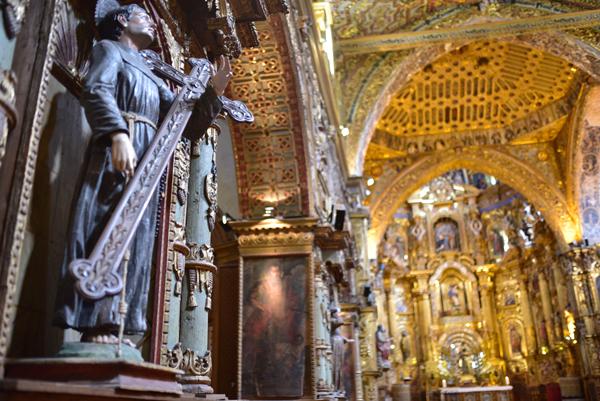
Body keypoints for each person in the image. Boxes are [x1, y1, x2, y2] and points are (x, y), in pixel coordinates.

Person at [53, 1, 231, 345]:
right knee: (107, 225)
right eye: (144, 17)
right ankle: (95, 320)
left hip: (148, 162)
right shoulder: (109, 51)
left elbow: (183, 122)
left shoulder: (149, 72)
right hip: (118, 150)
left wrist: (214, 93)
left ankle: (119, 323)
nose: (150, 23)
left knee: (138, 237)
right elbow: (97, 90)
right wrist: (117, 133)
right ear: (122, 20)